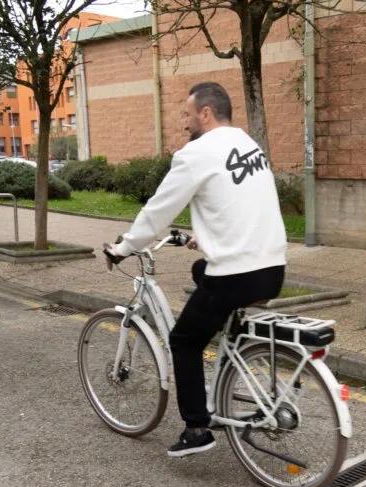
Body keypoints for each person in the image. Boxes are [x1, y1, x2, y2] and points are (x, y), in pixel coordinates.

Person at [104, 82, 287, 457]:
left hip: (237, 273)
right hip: (272, 267)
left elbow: (157, 211)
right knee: (201, 270)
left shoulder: (197, 153)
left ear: (205, 113)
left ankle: (197, 428)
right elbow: (241, 204)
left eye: (186, 114)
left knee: (183, 341)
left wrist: (124, 247)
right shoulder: (249, 145)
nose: (183, 122)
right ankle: (228, 354)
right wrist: (207, 237)